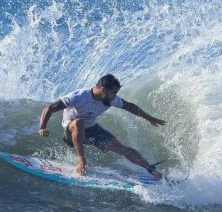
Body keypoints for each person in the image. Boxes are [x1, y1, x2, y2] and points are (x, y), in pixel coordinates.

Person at [38, 74, 166, 179]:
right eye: (113, 93)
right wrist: (43, 126)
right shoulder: (79, 96)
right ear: (103, 89)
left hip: (92, 129)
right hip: (71, 132)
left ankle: (151, 170)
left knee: (121, 148)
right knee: (79, 122)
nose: (115, 96)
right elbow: (49, 107)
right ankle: (81, 160)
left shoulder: (110, 99)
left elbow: (130, 106)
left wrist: (150, 118)